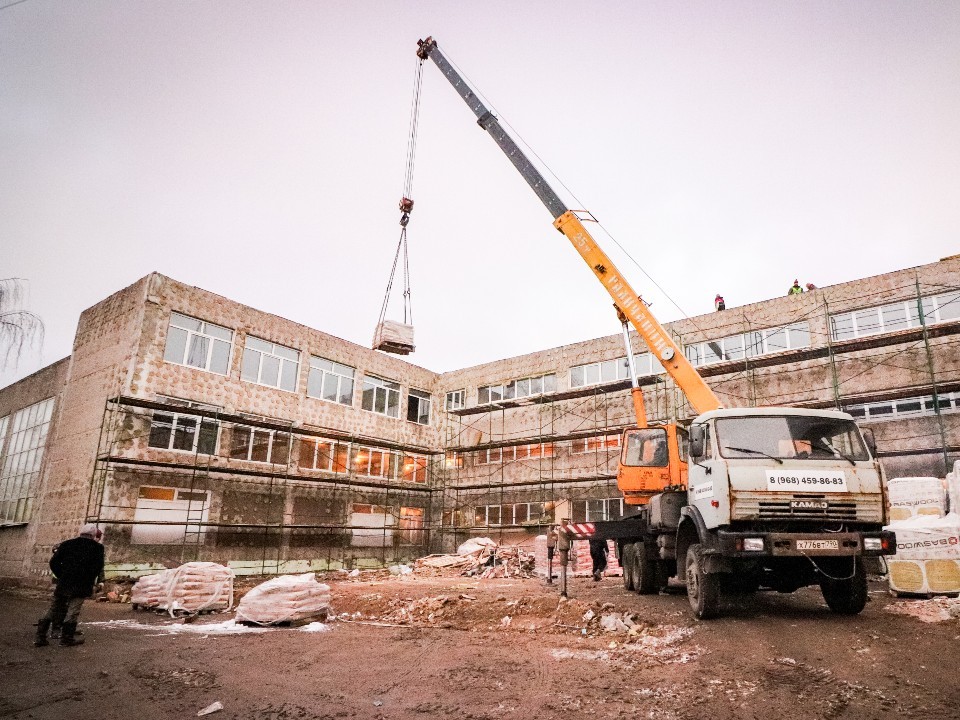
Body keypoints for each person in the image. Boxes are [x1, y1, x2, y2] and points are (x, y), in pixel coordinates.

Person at [34, 523, 105, 647]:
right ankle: (66, 639)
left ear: (81, 532)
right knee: (73, 610)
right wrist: (90, 580)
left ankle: (40, 637)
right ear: (93, 535)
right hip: (82, 584)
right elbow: (97, 568)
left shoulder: (67, 544)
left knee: (54, 608)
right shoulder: (97, 548)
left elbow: (53, 562)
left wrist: (62, 575)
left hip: (64, 583)